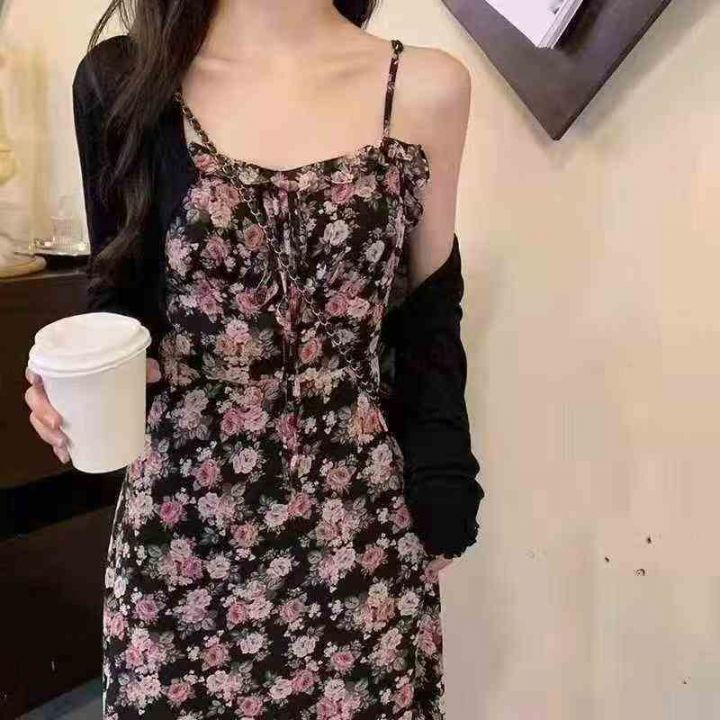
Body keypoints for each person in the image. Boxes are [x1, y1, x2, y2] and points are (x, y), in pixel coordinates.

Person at [24, 1, 484, 717]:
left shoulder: (426, 88)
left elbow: (430, 315)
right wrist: (74, 382)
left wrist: (445, 475)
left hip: (356, 528)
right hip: (180, 540)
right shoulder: (123, 83)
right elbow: (118, 299)